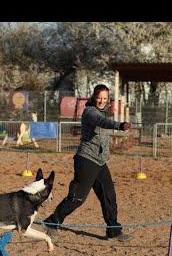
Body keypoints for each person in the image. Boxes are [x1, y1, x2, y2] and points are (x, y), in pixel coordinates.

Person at [44, 84, 132, 241]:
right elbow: (101, 122)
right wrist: (119, 125)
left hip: (100, 162)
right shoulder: (90, 112)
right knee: (77, 198)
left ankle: (113, 231)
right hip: (86, 160)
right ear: (94, 97)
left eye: (105, 98)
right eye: (99, 97)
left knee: (108, 196)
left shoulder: (104, 113)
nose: (102, 101)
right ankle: (52, 222)